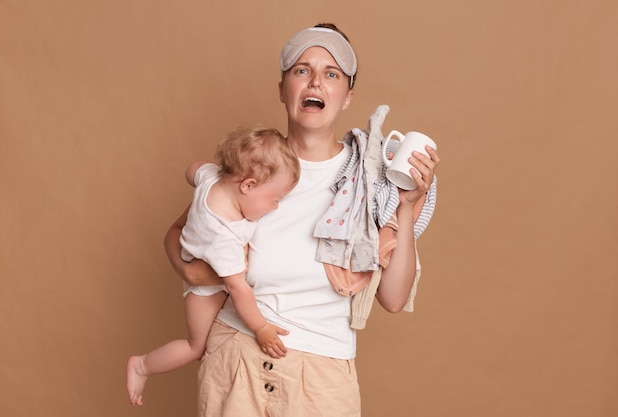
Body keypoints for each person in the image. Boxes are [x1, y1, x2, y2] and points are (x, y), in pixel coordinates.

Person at [163, 23, 440, 417]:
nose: (316, 82)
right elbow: (177, 235)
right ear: (283, 89)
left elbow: (393, 300)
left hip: (322, 378)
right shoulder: (253, 165)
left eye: (331, 74)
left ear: (347, 96)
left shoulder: (373, 179)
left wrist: (408, 207)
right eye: (301, 70)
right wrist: (188, 272)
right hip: (236, 363)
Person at [127, 126, 300, 406]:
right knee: (196, 346)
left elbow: (193, 169)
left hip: (200, 262)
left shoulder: (212, 178)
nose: (275, 207)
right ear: (248, 186)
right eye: (274, 200)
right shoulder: (224, 236)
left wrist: (206, 174)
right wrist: (261, 328)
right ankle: (142, 365)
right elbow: (238, 288)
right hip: (204, 291)